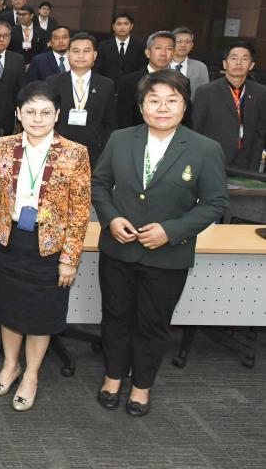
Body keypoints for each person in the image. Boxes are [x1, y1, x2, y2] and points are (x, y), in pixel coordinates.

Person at [92, 70, 229, 417]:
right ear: (142, 107)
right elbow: (99, 184)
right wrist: (111, 218)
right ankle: (112, 377)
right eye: (154, 101)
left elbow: (215, 203)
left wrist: (171, 231)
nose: (162, 108)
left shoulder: (204, 149)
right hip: (119, 249)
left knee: (152, 323)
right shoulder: (121, 139)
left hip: (167, 255)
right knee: (115, 317)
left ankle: (142, 385)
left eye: (172, 100)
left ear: (185, 106)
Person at [0, 81, 91, 412]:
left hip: (49, 246)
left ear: (57, 115)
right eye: (30, 112)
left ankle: (31, 375)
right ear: (18, 114)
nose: (37, 119)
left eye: (45, 112)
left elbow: (80, 211)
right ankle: (10, 366)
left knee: (41, 315)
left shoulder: (75, 152)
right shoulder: (4, 146)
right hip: (10, 241)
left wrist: (69, 258)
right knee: (10, 310)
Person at [47, 32, 117, 168]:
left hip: (94, 154)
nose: (80, 55)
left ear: (94, 55)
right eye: (75, 51)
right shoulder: (53, 82)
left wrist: (104, 151)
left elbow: (110, 123)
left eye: (86, 51)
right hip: (58, 151)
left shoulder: (106, 85)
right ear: (68, 54)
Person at [192, 41, 265, 171]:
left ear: (251, 65)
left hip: (245, 162)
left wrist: (255, 164)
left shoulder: (260, 92)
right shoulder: (206, 91)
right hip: (212, 160)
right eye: (234, 58)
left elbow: (260, 133)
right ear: (225, 63)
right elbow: (196, 130)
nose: (239, 63)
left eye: (244, 59)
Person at [116, 31, 189, 128]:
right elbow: (123, 119)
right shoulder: (129, 82)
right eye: (158, 48)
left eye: (169, 49)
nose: (163, 53)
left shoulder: (182, 81)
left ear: (174, 53)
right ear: (148, 53)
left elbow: (186, 119)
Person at [95, 13, 147, 81]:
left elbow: (142, 70)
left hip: (132, 85)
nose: (122, 27)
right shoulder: (103, 46)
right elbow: (98, 69)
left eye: (126, 24)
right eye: (119, 24)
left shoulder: (140, 46)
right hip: (108, 85)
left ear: (131, 26)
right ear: (113, 27)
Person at [171, 27, 209, 97]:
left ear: (191, 46)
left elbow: (204, 95)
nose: (183, 45)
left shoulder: (200, 67)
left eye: (187, 42)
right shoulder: (161, 65)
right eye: (179, 41)